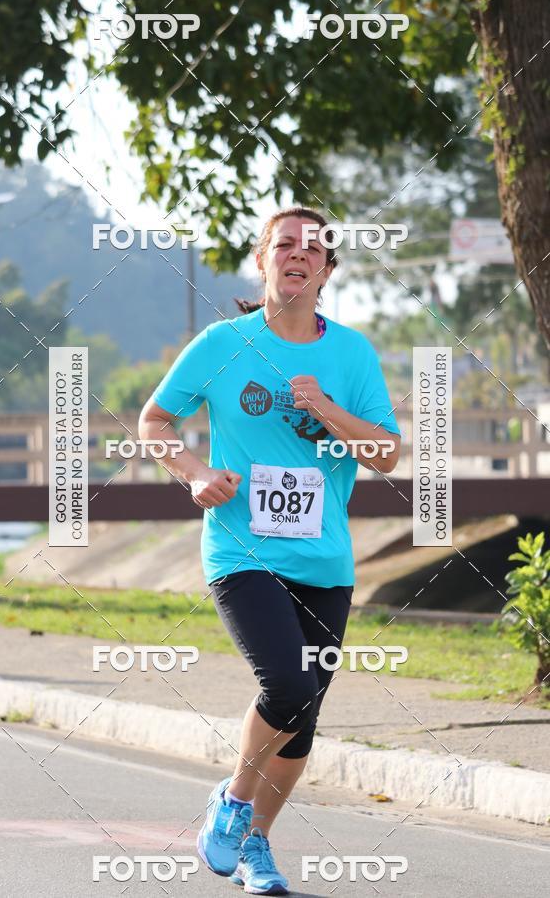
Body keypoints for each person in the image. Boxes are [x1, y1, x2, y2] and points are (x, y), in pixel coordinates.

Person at [138, 207, 401, 895]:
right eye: (284, 243)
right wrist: (195, 474)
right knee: (287, 684)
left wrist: (328, 411)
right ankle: (230, 804)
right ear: (263, 260)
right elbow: (155, 419)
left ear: (328, 270)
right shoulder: (223, 343)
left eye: (314, 247)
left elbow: (386, 455)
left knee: (303, 723)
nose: (299, 254)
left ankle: (256, 847)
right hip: (242, 550)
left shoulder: (351, 354)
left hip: (325, 563)